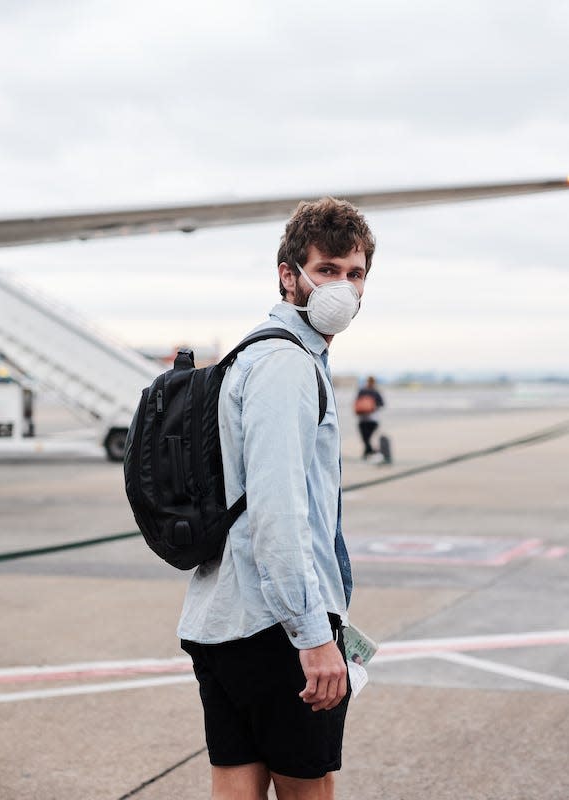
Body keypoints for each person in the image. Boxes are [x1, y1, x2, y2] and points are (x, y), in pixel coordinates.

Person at [178, 197, 374, 799]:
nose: (342, 287)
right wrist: (313, 637)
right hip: (276, 629)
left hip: (224, 622)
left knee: (234, 783)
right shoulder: (287, 365)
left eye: (355, 273)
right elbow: (278, 512)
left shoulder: (251, 353)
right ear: (289, 276)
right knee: (307, 791)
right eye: (326, 270)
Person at [354, 376, 384, 460]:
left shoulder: (364, 391)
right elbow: (381, 404)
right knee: (366, 438)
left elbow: (357, 402)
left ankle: (369, 453)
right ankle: (371, 452)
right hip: (369, 419)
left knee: (366, 438)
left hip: (368, 419)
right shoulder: (374, 392)